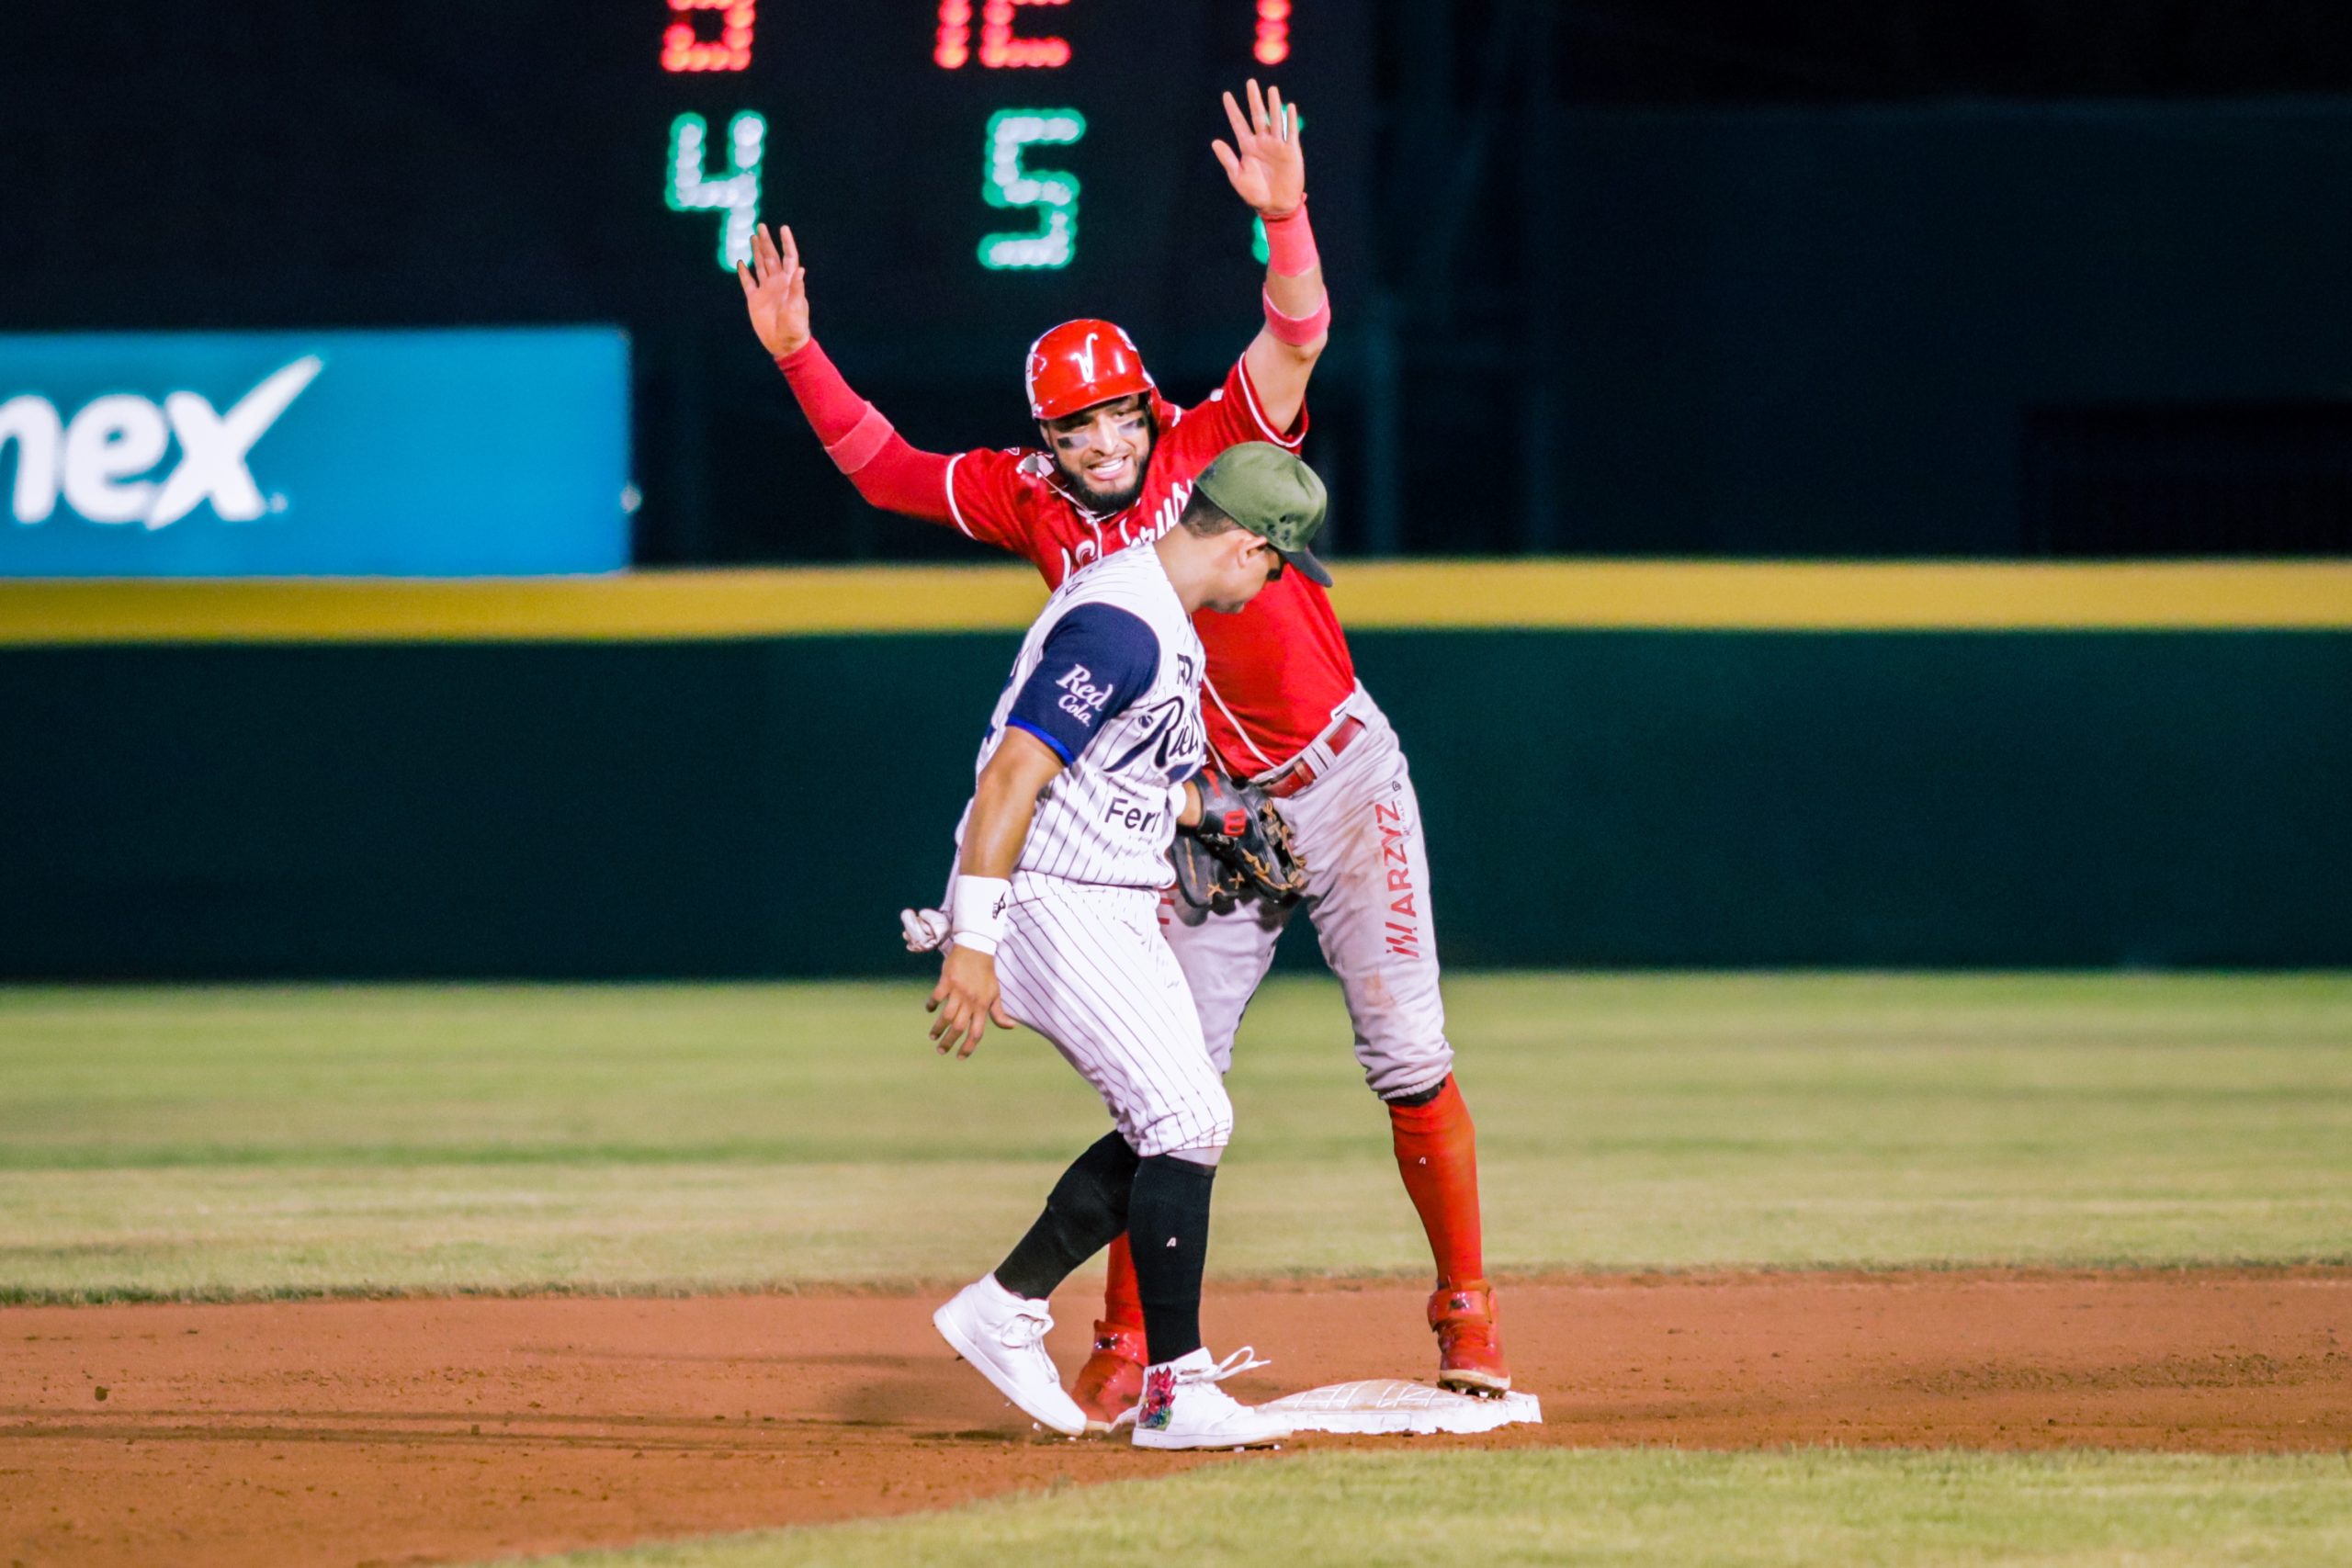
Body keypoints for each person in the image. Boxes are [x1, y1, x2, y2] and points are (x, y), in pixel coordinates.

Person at [741, 79, 1507, 1429]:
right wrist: (800, 352)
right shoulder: (1033, 499)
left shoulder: (1215, 450)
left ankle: (1467, 1313)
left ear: (1151, 410)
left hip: (1335, 773)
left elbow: (1301, 332)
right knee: (1177, 1093)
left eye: (1114, 415)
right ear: (1048, 441)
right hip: (1198, 820)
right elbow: (882, 468)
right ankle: (1132, 1349)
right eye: (1072, 425)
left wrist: (1288, 218)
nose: (1098, 440)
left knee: (1405, 1046)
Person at [922, 445, 1333, 1451]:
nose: (1281, 579)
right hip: (1050, 896)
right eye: (1281, 560)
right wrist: (974, 942)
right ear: (1243, 545)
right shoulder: (1120, 623)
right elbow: (1012, 775)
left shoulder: (1158, 614)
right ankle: (1174, 1388)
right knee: (1186, 1114)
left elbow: (1104, 769)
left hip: (1102, 890)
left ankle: (1006, 1306)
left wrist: (1199, 807)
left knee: (1181, 1118)